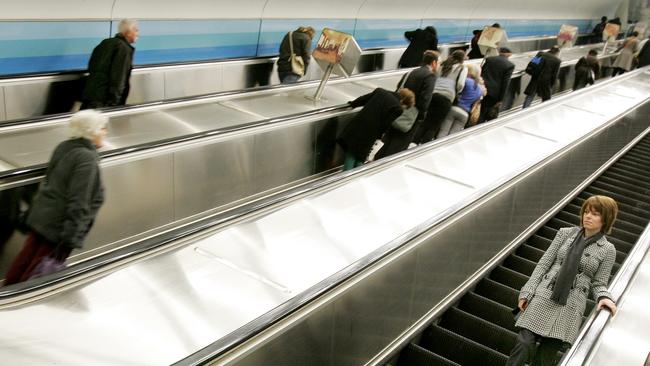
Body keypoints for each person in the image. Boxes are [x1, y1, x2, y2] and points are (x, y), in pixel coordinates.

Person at [506, 195, 619, 366]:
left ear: (606, 219)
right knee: (524, 344)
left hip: (570, 307)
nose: (588, 216)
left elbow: (599, 283)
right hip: (544, 296)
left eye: (595, 214)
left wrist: (604, 297)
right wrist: (527, 292)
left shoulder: (608, 250)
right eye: (586, 212)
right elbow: (544, 264)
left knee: (544, 359)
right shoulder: (565, 233)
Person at [4, 110, 107, 285]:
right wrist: (70, 237)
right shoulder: (86, 158)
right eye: (103, 128)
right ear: (92, 131)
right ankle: (21, 306)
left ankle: (6, 295)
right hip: (58, 228)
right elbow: (80, 200)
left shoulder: (64, 146)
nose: (105, 132)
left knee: (23, 262)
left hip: (42, 220)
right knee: (37, 275)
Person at [376, 51, 439, 159]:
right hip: (410, 118)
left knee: (387, 143)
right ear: (434, 63)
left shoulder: (411, 72)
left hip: (397, 111)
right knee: (397, 148)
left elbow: (398, 89)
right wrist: (421, 116)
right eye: (439, 63)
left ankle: (375, 164)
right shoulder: (430, 76)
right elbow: (425, 100)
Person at [338, 88, 415, 170]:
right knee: (360, 156)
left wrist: (352, 104)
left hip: (358, 124)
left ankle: (350, 174)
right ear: (403, 102)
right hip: (371, 133)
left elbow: (363, 99)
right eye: (405, 107)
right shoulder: (398, 108)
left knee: (352, 152)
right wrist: (379, 137)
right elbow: (385, 125)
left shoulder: (380, 91)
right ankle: (351, 177)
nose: (403, 108)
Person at [412, 50, 468, 144]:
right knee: (434, 125)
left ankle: (414, 142)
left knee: (425, 121)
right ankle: (424, 145)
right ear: (462, 59)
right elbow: (460, 84)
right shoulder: (462, 68)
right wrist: (456, 91)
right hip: (446, 97)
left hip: (433, 94)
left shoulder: (442, 64)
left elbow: (435, 76)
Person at [81, 19, 139, 109]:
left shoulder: (105, 43)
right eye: (135, 30)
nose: (137, 33)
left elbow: (91, 66)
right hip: (104, 101)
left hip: (89, 96)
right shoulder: (123, 49)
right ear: (127, 32)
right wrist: (113, 105)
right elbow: (118, 78)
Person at [436, 64, 485, 138]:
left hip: (454, 108)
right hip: (465, 114)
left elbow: (458, 88)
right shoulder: (480, 90)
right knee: (453, 137)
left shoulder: (466, 81)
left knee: (443, 132)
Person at [479, 47, 515, 122]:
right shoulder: (510, 65)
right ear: (509, 54)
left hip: (482, 89)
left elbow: (481, 72)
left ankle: (475, 126)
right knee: (490, 114)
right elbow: (505, 83)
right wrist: (501, 99)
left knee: (480, 110)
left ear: (499, 52)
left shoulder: (489, 59)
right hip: (494, 93)